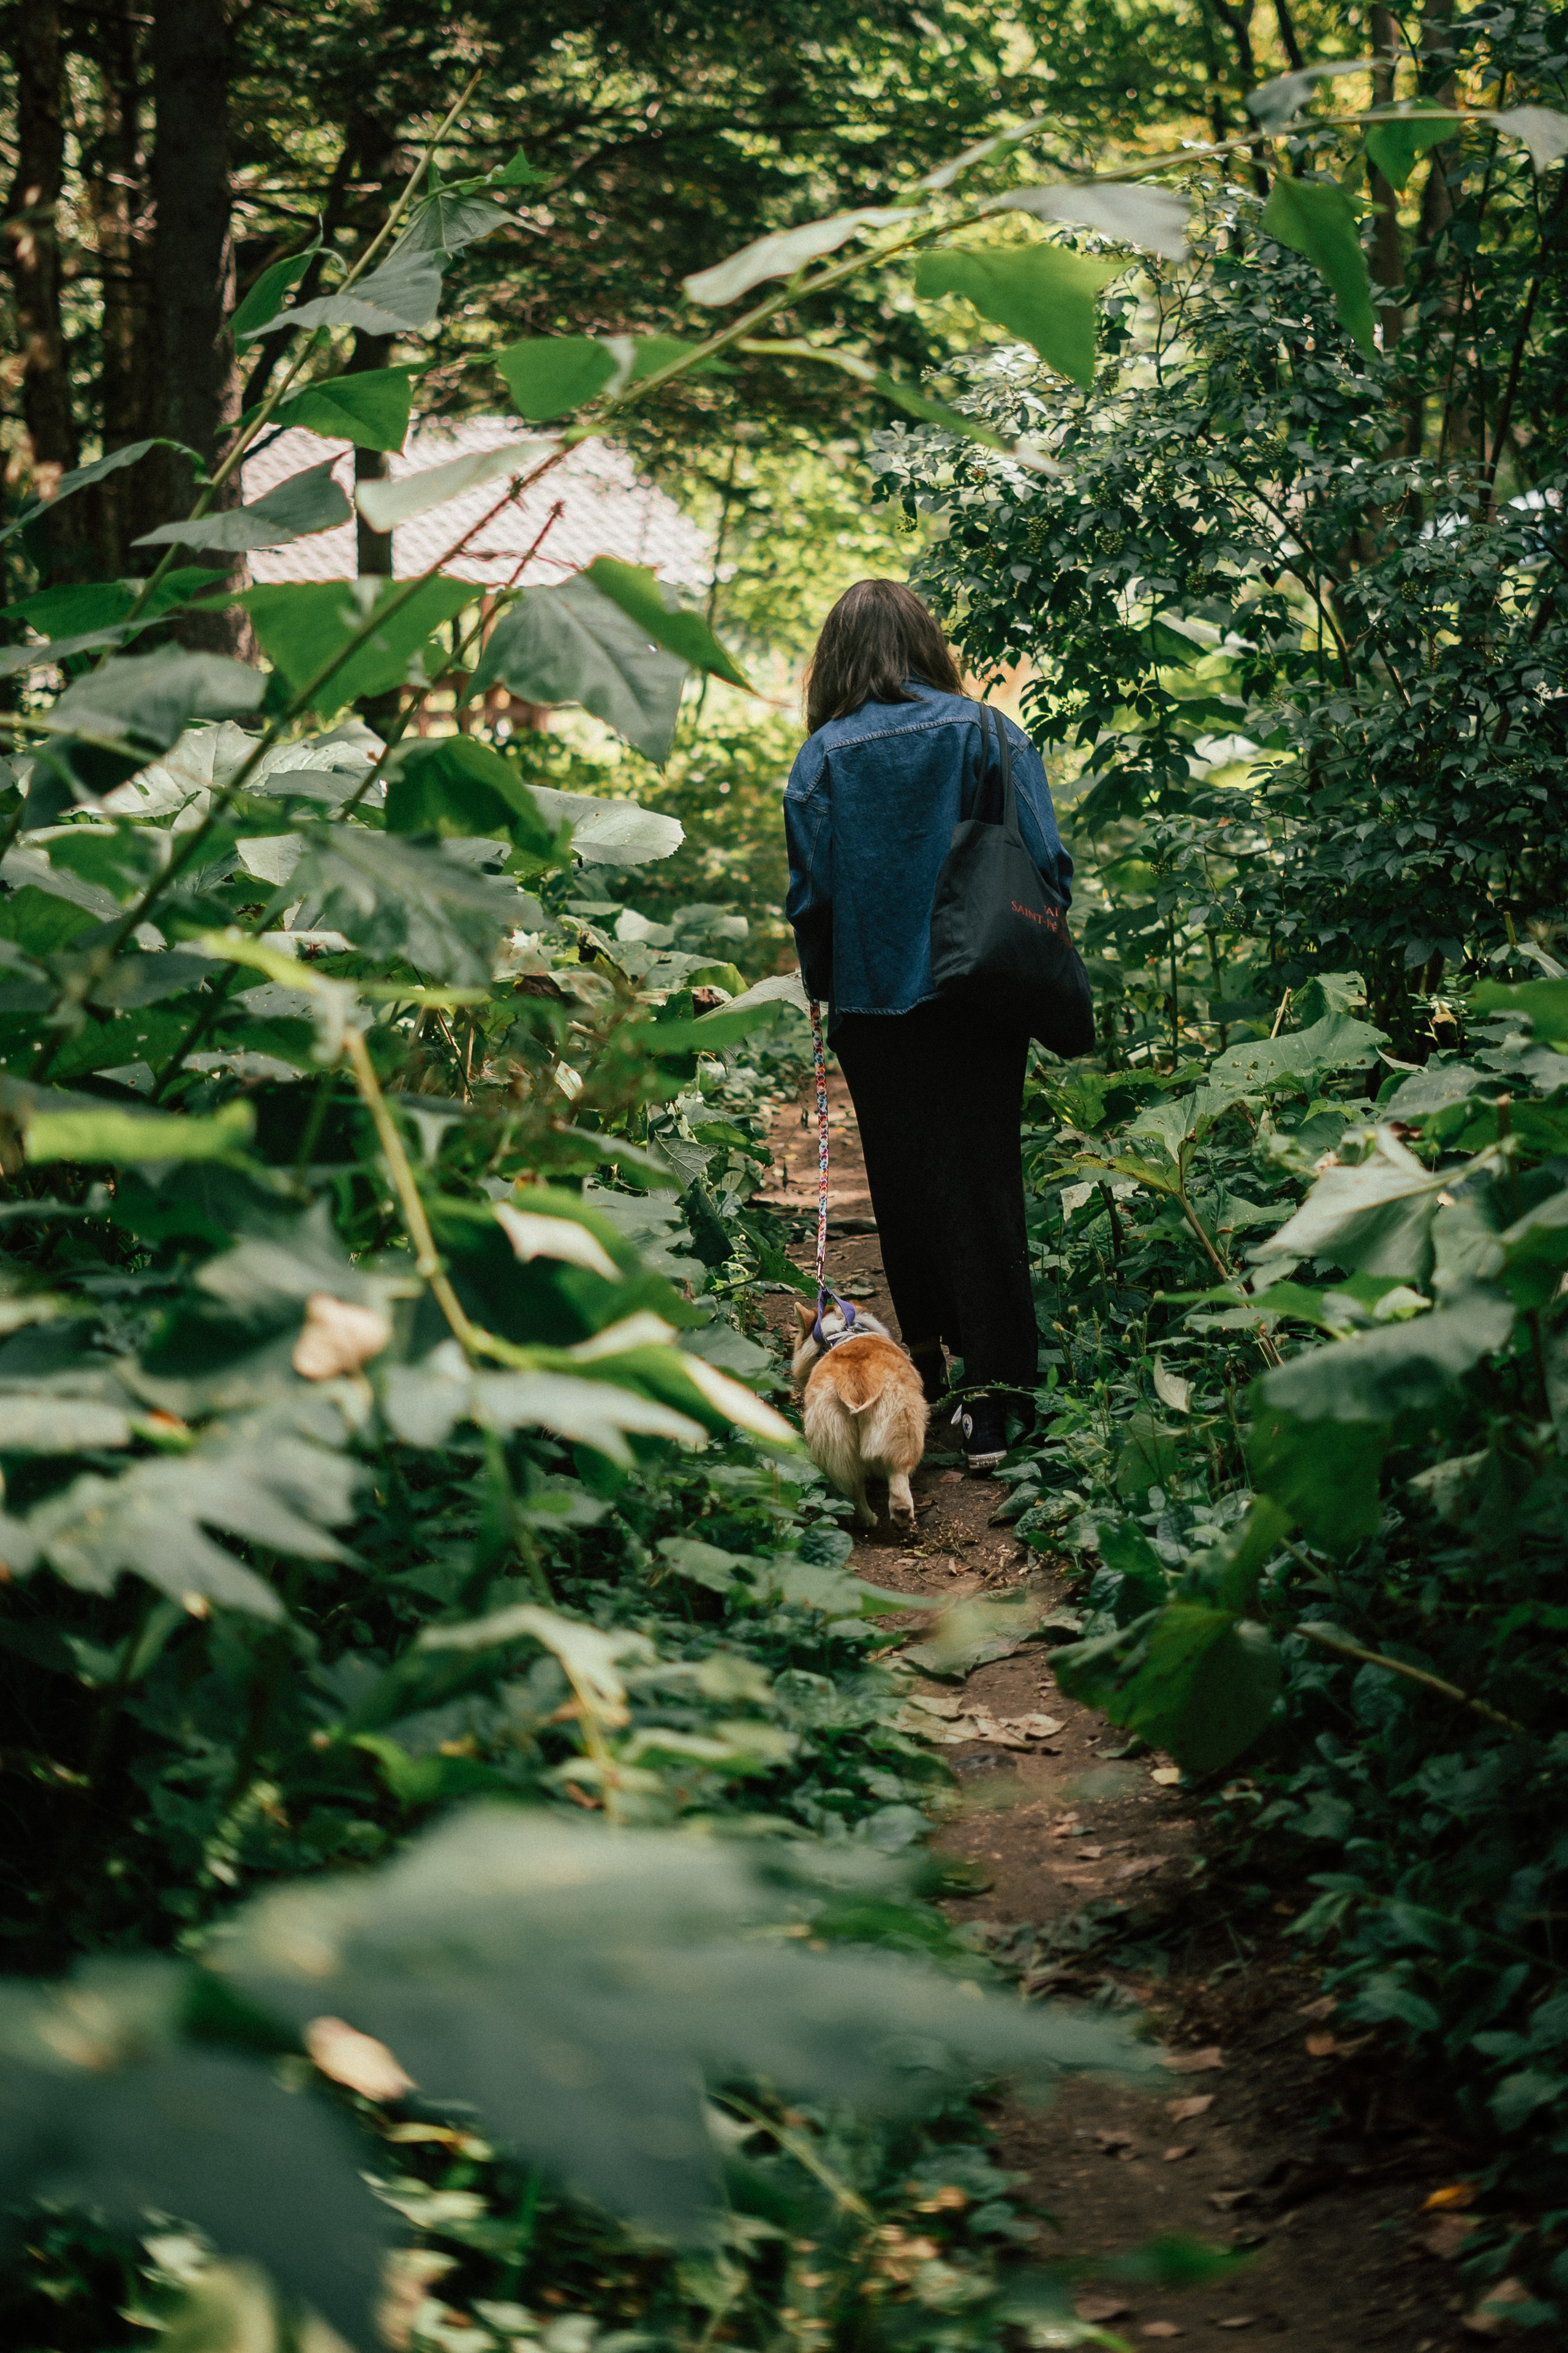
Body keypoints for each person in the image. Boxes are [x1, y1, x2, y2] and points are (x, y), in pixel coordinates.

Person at [783, 578, 1072, 1472]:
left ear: (834, 661)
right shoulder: (990, 730)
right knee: (985, 1179)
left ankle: (933, 1376)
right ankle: (996, 1407)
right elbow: (1048, 862)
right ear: (928, 645)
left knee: (905, 1186)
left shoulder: (822, 758)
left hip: (876, 1003)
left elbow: (814, 897)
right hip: (982, 995)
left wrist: (825, 991)